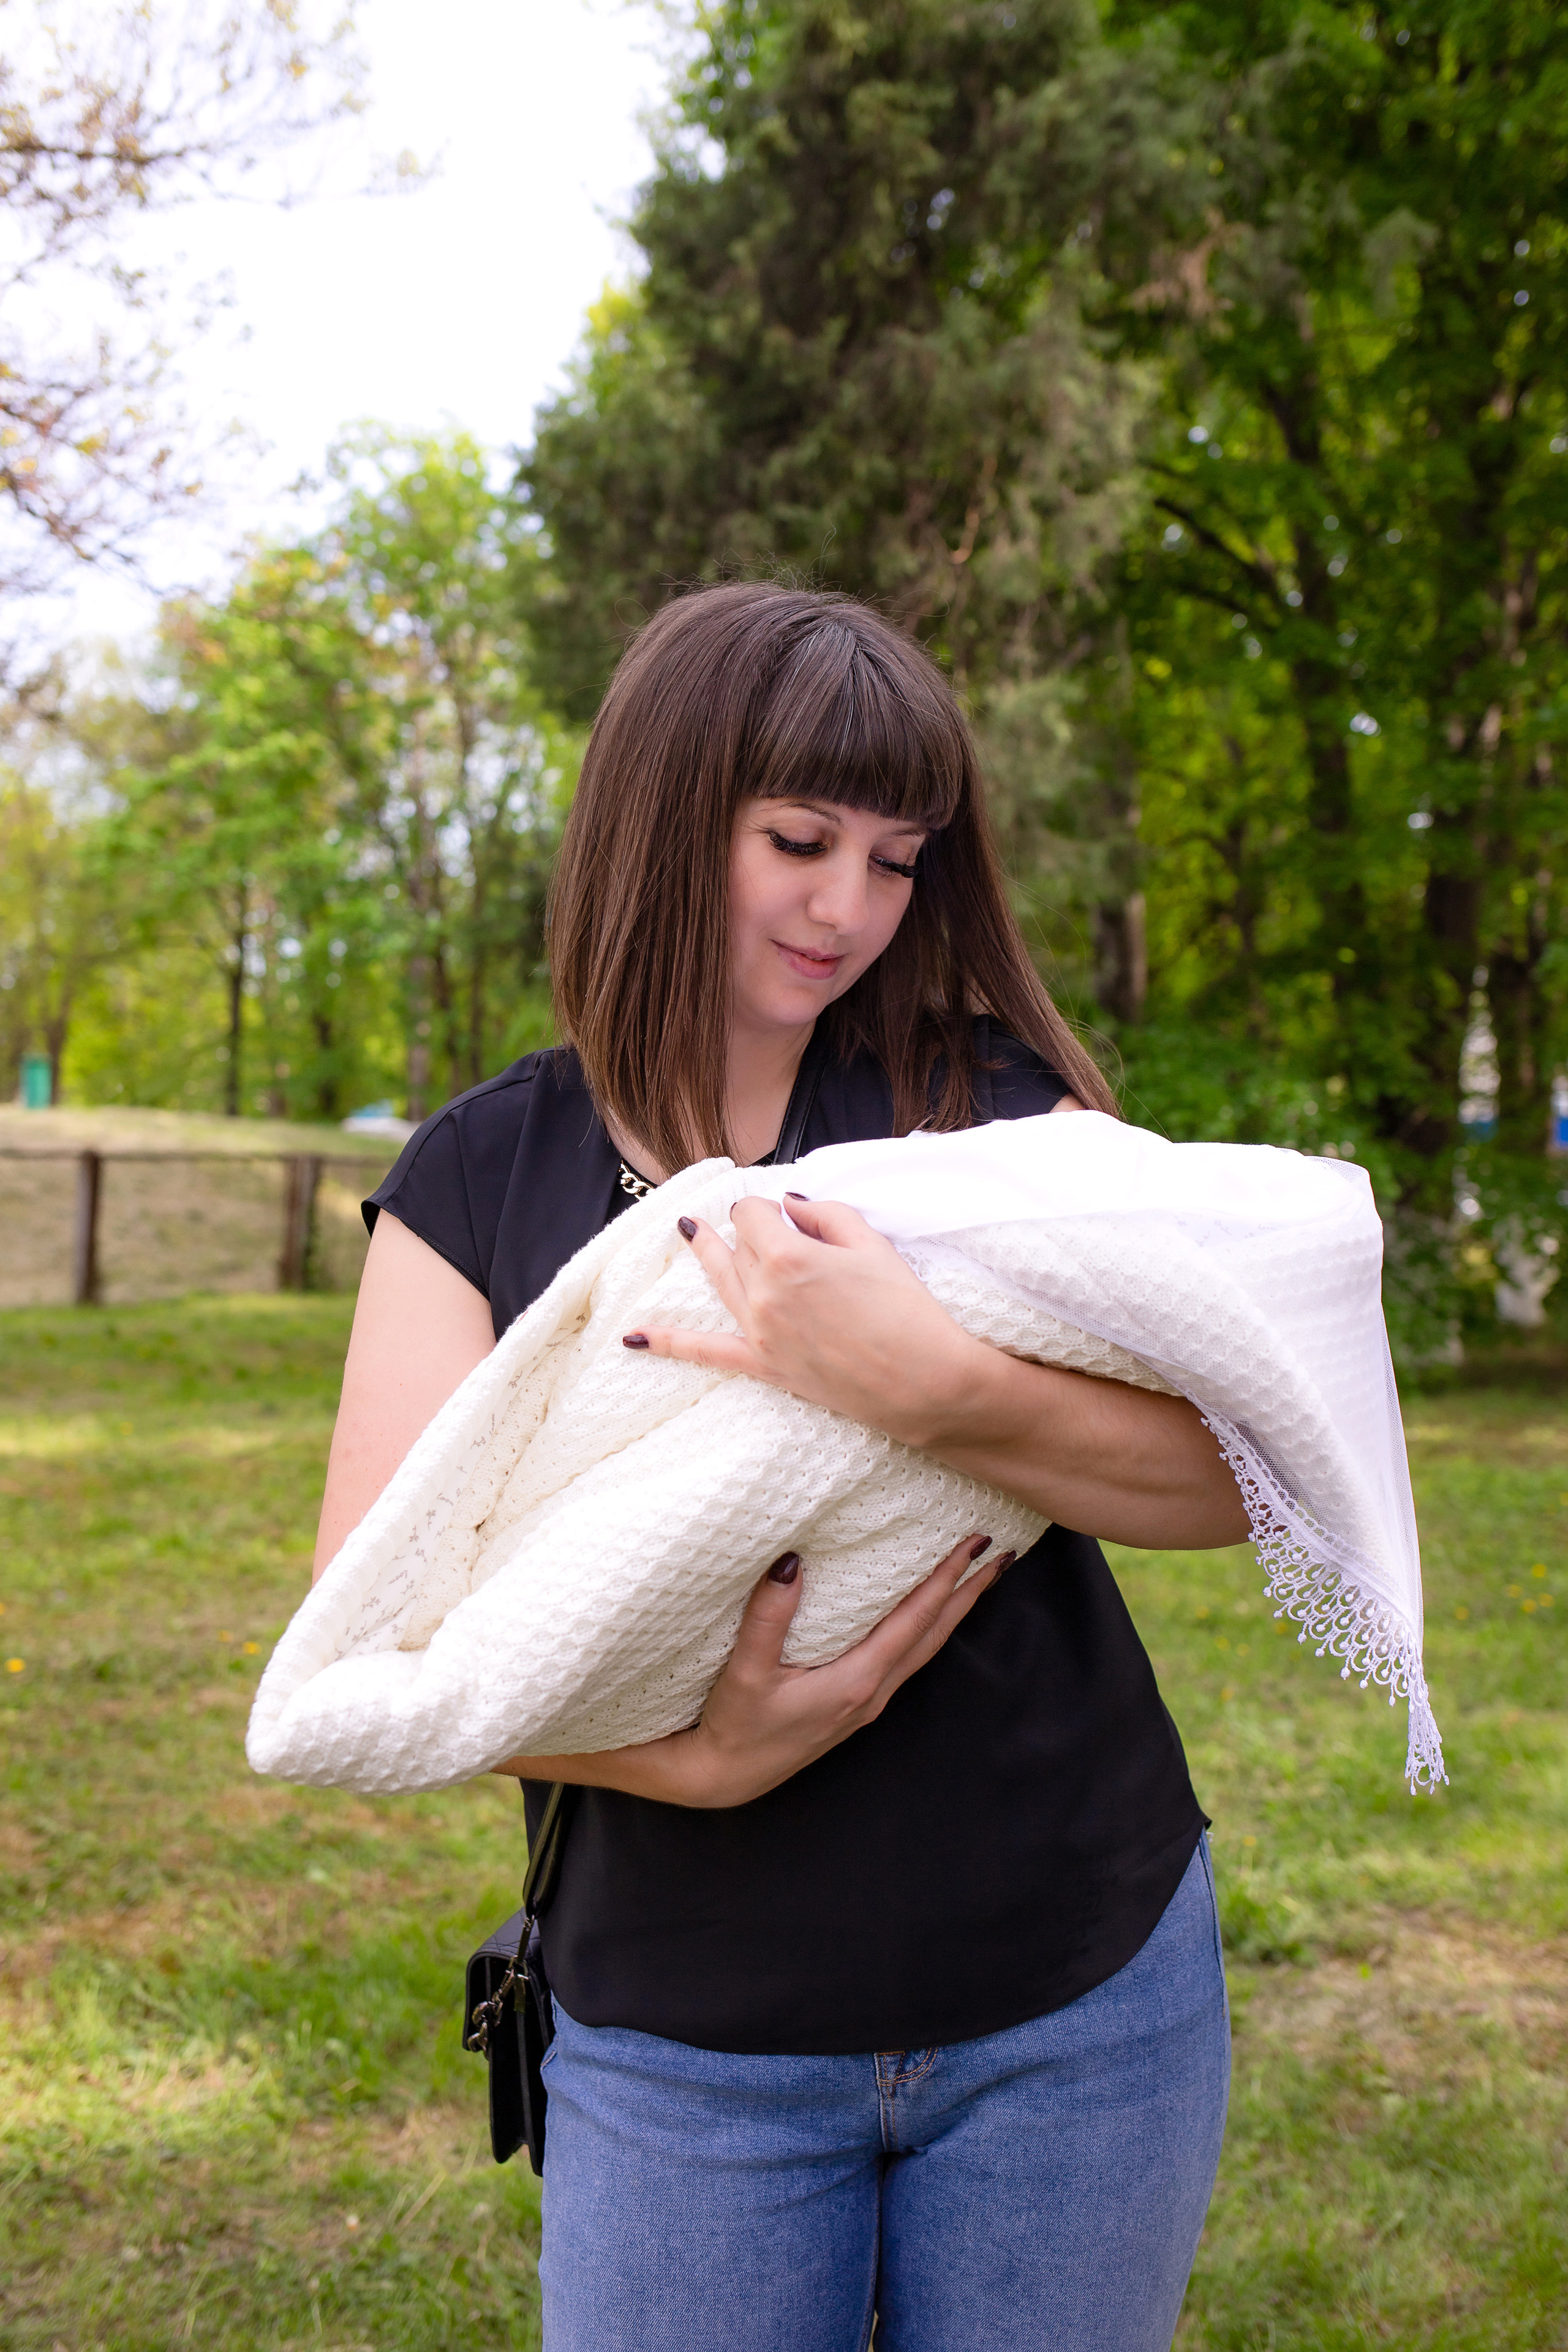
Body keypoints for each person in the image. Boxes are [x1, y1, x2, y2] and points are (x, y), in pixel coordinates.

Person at [316, 582, 1248, 2352]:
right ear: (666, 818)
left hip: (1082, 2001)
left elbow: (1230, 1476)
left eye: (900, 859)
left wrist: (932, 1383)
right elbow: (372, 1661)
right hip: (685, 2046)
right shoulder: (471, 1184)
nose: (851, 907)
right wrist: (694, 1760)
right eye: (802, 839)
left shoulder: (991, 1109)